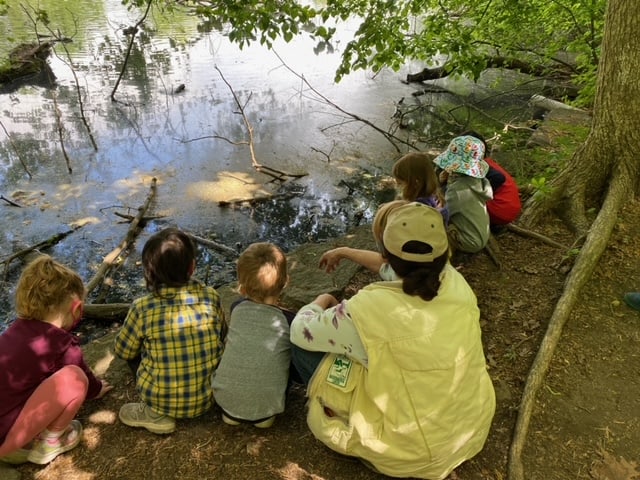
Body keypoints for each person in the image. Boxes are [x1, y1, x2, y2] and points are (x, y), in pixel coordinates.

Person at [290, 202, 495, 479]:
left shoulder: (367, 309)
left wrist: (322, 301)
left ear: (386, 254)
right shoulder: (455, 282)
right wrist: (346, 251)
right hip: (468, 428)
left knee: (302, 350)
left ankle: (338, 411)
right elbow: (396, 269)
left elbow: (300, 330)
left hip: (411, 453)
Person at [0, 255, 112, 470]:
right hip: (9, 440)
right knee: (74, 378)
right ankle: (48, 443)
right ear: (77, 309)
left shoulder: (13, 331)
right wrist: (96, 389)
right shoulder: (61, 343)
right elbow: (83, 376)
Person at [114, 227, 226, 434]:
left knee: (136, 350)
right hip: (211, 396)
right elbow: (222, 335)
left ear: (148, 273)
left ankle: (155, 413)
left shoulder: (141, 307)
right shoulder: (211, 296)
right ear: (192, 267)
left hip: (161, 400)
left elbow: (123, 351)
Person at [212, 242, 297, 428]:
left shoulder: (237, 308)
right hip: (267, 410)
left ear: (241, 289)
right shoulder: (289, 320)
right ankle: (262, 408)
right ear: (286, 282)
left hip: (225, 402)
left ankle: (235, 412)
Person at [433, 135, 493, 253]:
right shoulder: (479, 181)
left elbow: (442, 215)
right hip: (480, 236)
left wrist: (440, 186)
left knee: (430, 226)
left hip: (468, 241)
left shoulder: (457, 190)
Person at [462, 130, 522, 229]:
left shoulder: (480, 165)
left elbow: (499, 178)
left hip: (500, 210)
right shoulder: (487, 163)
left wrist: (481, 195)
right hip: (509, 210)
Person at [392, 152, 449, 223]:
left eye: (401, 184)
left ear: (416, 182)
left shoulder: (418, 209)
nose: (399, 188)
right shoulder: (435, 198)